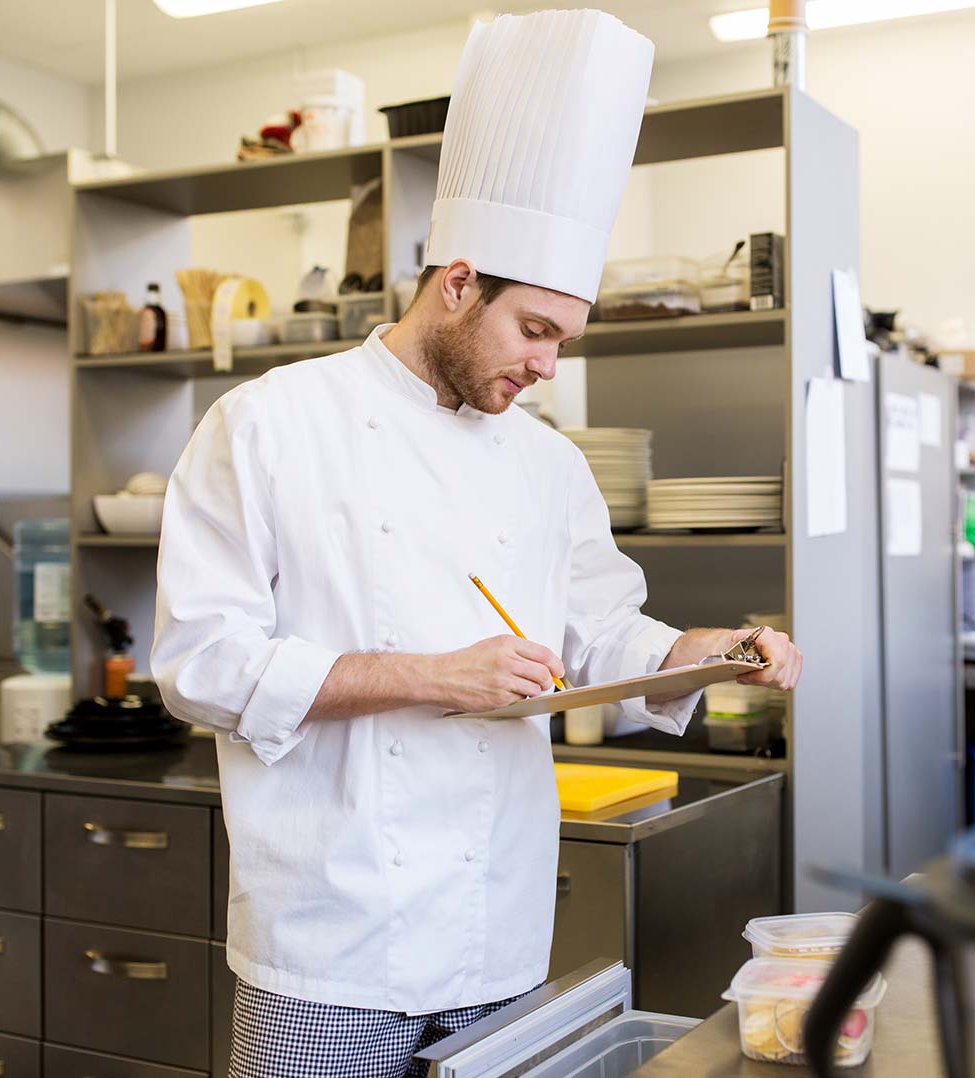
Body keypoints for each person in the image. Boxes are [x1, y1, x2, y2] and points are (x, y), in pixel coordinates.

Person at [151, 10, 802, 1078]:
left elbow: (604, 636)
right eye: (533, 330)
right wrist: (428, 675)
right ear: (458, 283)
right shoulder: (269, 424)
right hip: (328, 940)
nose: (547, 367)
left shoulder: (547, 463)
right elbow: (200, 665)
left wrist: (712, 654)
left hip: (495, 927)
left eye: (564, 340)